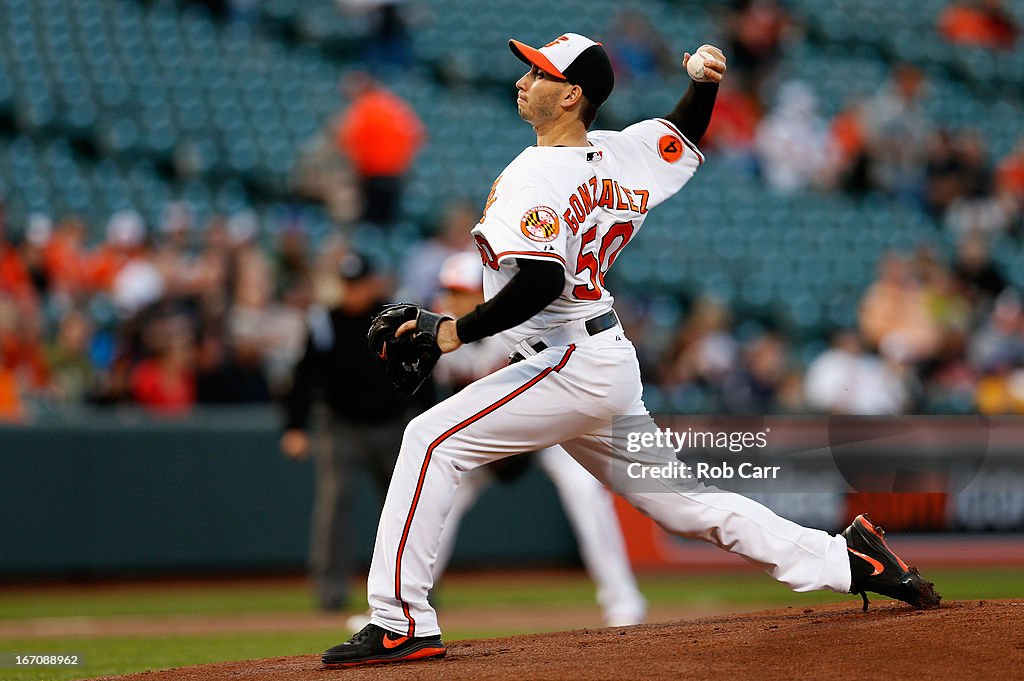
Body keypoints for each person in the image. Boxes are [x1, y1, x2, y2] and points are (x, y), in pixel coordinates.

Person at [322, 33, 940, 668]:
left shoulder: (537, 173)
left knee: (430, 441)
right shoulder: (619, 155)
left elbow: (540, 282)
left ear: (570, 96)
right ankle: (848, 558)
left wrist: (451, 333)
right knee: (683, 505)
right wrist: (704, 84)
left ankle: (400, 620)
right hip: (600, 358)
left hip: (564, 360)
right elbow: (685, 133)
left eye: (537, 74)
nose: (522, 82)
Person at [429, 251, 647, 627]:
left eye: (461, 291)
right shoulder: (445, 338)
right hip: (494, 432)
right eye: (448, 290)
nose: (453, 298)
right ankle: (403, 604)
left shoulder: (516, 326)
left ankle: (623, 600)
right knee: (440, 496)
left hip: (548, 427)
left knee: (585, 492)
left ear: (483, 293)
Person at [281, 253, 431, 612]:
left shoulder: (394, 319)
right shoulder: (326, 322)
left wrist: (428, 417)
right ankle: (329, 589)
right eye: (348, 284)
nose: (353, 291)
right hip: (341, 426)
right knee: (335, 505)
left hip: (393, 425)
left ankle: (415, 588)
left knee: (406, 507)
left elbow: (422, 367)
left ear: (373, 282)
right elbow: (303, 377)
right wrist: (295, 426)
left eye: (359, 283)